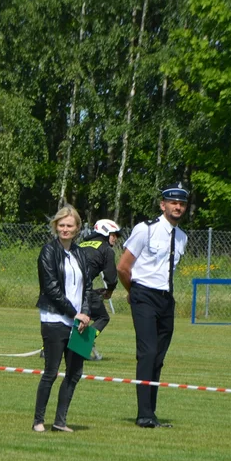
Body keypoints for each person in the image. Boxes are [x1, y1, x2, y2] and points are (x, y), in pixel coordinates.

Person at [116, 184, 189, 429]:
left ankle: (152, 413)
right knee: (147, 353)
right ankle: (144, 414)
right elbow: (123, 267)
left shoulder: (182, 237)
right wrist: (133, 293)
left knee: (158, 357)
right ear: (163, 205)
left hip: (166, 299)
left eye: (181, 204)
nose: (177, 207)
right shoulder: (145, 230)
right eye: (172, 202)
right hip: (143, 294)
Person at [33, 205, 93, 433]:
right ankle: (38, 420)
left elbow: (88, 287)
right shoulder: (48, 252)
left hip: (78, 321)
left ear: (77, 228)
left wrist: (85, 313)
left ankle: (60, 422)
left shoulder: (80, 253)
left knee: (75, 372)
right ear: (55, 226)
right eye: (61, 225)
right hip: (54, 319)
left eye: (69, 225)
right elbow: (51, 288)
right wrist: (73, 312)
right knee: (51, 371)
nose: (65, 229)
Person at [78, 219, 121, 360]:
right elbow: (111, 277)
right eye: (114, 235)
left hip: (67, 287)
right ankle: (82, 345)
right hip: (83, 289)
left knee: (67, 317)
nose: (115, 239)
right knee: (102, 317)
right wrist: (109, 291)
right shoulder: (106, 249)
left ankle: (46, 349)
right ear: (105, 232)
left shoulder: (81, 244)